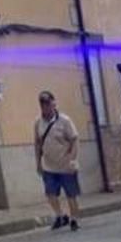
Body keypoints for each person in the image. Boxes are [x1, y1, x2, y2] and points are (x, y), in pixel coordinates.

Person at [34, 90, 82, 231]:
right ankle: (60, 216)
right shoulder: (38, 123)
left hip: (66, 165)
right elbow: (37, 143)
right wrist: (38, 163)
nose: (46, 107)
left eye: (48, 104)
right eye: (43, 104)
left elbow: (74, 139)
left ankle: (74, 219)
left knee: (71, 194)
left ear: (54, 104)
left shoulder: (64, 121)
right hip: (49, 166)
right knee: (51, 194)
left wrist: (73, 158)